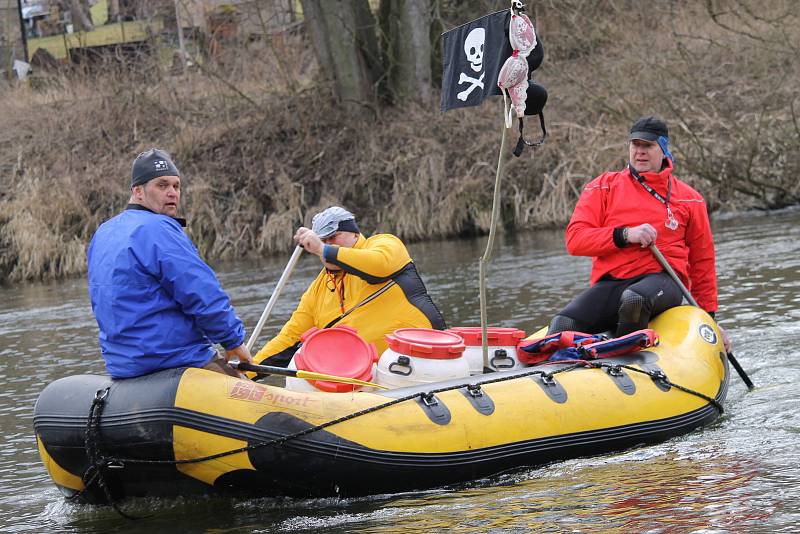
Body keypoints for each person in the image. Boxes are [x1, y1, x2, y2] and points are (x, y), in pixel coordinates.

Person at [548, 116, 727, 347]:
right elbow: (575, 241)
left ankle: (627, 360)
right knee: (562, 324)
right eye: (636, 145)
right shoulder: (602, 186)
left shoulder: (689, 198)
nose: (640, 152)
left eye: (648, 146)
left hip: (664, 280)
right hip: (612, 281)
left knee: (634, 300)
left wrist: (709, 319)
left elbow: (702, 261)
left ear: (663, 150)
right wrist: (624, 235)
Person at [87, 148, 252, 379]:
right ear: (138, 191)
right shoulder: (158, 229)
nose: (172, 193)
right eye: (162, 185)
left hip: (124, 368)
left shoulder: (103, 233)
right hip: (176, 360)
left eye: (176, 186)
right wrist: (232, 340)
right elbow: (200, 291)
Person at [254, 206, 446, 367]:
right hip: (364, 376)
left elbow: (379, 265)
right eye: (322, 240)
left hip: (421, 358)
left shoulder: (385, 244)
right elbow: (289, 338)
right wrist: (248, 370)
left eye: (333, 237)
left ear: (355, 234)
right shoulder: (317, 290)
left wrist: (323, 250)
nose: (327, 244)